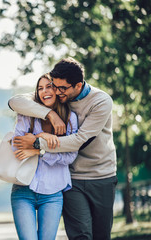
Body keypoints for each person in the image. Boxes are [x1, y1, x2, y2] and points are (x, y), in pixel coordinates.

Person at [9, 57, 117, 240]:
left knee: (101, 235)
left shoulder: (101, 101)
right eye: (55, 86)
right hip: (72, 178)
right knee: (80, 235)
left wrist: (38, 144)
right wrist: (49, 113)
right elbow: (15, 101)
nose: (57, 92)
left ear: (78, 85)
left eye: (62, 88)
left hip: (101, 175)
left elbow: (79, 141)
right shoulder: (58, 97)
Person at [11, 73, 78, 240]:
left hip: (53, 192)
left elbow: (69, 157)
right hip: (23, 190)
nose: (44, 91)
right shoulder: (27, 115)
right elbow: (16, 146)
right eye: (40, 88)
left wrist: (38, 149)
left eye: (49, 86)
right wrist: (42, 136)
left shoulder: (70, 119)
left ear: (57, 90)